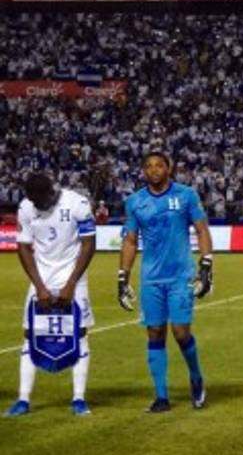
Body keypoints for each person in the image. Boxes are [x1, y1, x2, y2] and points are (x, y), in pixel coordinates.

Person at [118, 151, 213, 413]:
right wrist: (122, 276)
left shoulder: (186, 195)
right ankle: (161, 396)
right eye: (149, 166)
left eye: (159, 165)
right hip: (151, 279)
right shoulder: (135, 202)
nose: (154, 170)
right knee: (155, 333)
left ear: (168, 168)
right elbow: (130, 240)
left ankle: (196, 377)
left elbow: (202, 229)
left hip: (181, 276)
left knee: (181, 333)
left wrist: (206, 264)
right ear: (144, 171)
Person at [6, 173, 97, 417]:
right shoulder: (26, 208)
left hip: (73, 278)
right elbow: (23, 247)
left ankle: (79, 399)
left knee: (78, 333)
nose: (37, 205)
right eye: (33, 201)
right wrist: (39, 286)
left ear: (51, 192)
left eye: (41, 200)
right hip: (42, 278)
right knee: (30, 334)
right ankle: (23, 400)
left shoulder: (77, 203)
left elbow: (89, 244)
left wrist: (71, 283)